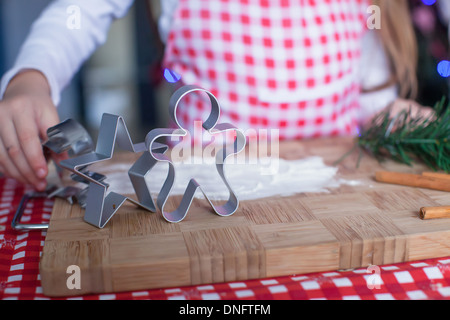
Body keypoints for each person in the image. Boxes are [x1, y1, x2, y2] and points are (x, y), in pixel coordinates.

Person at [0, 0, 433, 191]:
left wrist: (411, 124)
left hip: (339, 196)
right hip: (200, 196)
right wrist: (32, 79)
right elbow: (79, 12)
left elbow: (370, 103)